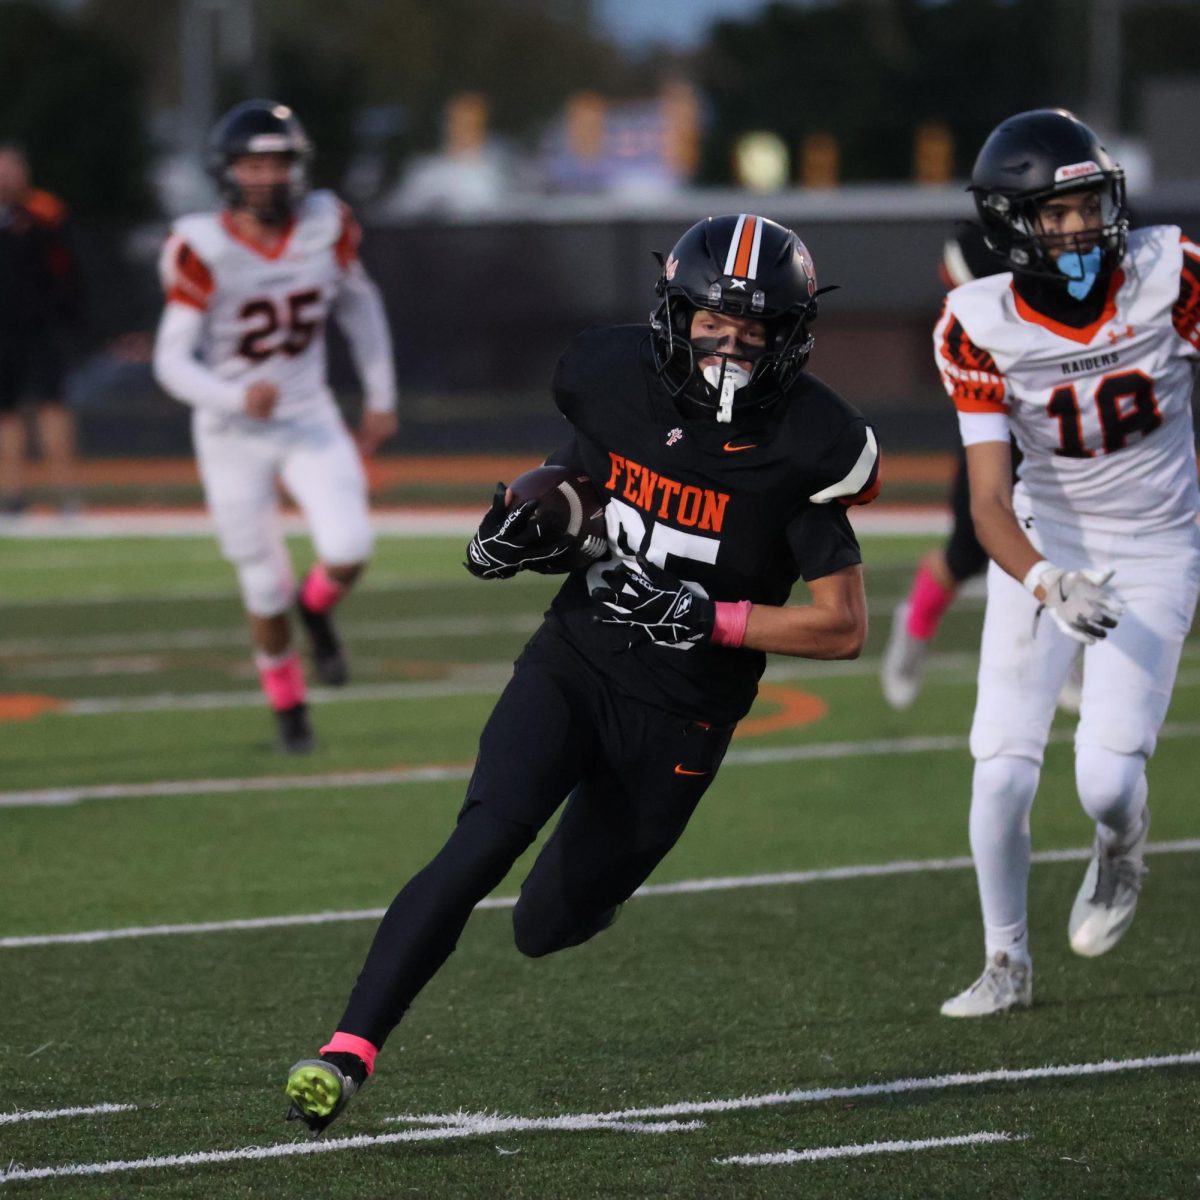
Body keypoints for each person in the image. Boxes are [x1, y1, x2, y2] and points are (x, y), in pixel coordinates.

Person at [283, 213, 880, 1131]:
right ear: (671, 316)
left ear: (791, 339)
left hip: (683, 712)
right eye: (710, 326)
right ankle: (348, 1049)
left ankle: (589, 896)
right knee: (482, 839)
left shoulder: (809, 441)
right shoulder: (611, 377)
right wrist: (517, 531)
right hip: (578, 657)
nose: (727, 350)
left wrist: (709, 618)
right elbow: (576, 483)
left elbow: (841, 629)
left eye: (754, 333)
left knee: (546, 923)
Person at [935, 109, 1200, 1017]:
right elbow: (986, 503)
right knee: (1002, 767)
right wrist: (1046, 580)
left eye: (1090, 204)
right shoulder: (976, 325)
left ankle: (1121, 844)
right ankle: (1004, 961)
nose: (1084, 227)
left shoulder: (1172, 274)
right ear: (1015, 225)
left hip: (1160, 544)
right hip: (1046, 549)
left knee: (1106, 779)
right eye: (1059, 214)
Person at [153, 100, 398, 754]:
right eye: (252, 162)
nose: (265, 175)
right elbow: (170, 360)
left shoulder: (326, 222)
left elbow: (360, 302)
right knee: (263, 586)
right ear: (228, 170)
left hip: (309, 414)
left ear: (298, 168)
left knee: (348, 548)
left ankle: (316, 608)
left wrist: (380, 393)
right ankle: (290, 710)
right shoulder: (201, 245)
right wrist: (233, 397)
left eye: (277, 161)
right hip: (232, 434)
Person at [881, 228, 1082, 713]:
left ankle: (1073, 653)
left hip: (1058, 407)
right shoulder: (981, 246)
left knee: (1077, 528)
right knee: (968, 549)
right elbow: (960, 285)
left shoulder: (1067, 238)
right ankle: (915, 624)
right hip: (996, 411)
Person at [0, 144, 83, 515]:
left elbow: (71, 268)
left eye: (11, 168)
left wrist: (70, 317)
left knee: (53, 406)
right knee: (6, 412)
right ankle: (12, 494)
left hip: (44, 327)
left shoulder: (46, 211)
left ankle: (65, 493)